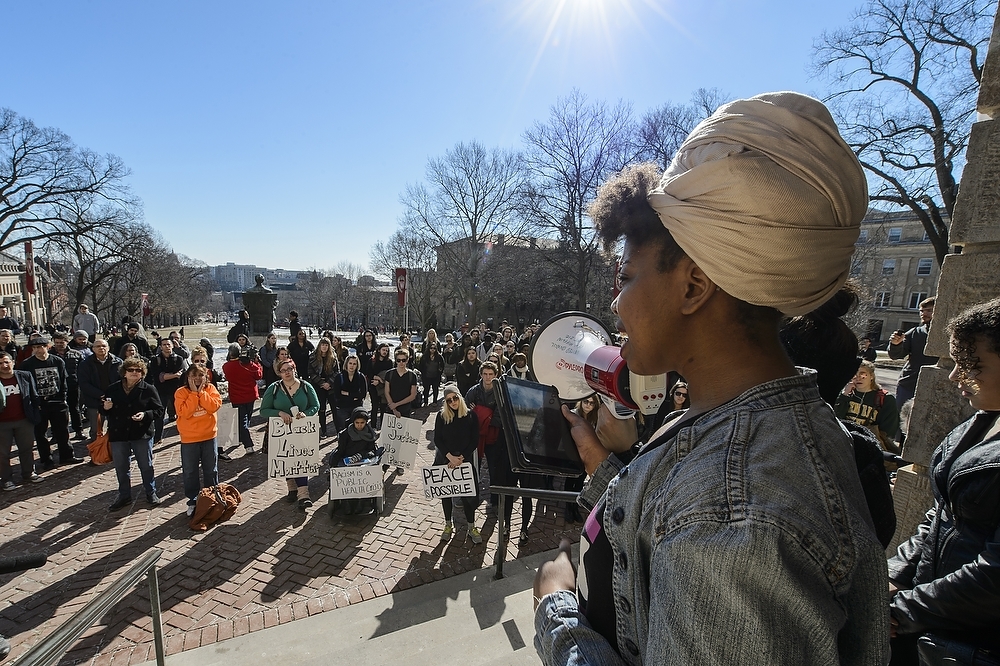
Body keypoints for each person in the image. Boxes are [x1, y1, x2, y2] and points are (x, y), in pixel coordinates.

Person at [533, 94, 887, 665]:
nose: (615, 304)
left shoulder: (738, 516)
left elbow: (705, 518)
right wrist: (606, 470)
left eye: (626, 277)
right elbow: (665, 534)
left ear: (694, 287)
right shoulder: (735, 422)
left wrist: (556, 613)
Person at [887, 297, 1000, 663]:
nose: (954, 377)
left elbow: (994, 577)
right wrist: (895, 575)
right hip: (931, 626)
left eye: (970, 365)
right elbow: (943, 515)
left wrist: (902, 610)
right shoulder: (981, 421)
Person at [467, 360, 532, 544]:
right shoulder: (474, 390)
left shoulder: (500, 390)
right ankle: (473, 497)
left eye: (491, 374)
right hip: (477, 438)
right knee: (475, 467)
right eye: (485, 374)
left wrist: (481, 413)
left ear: (496, 374)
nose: (488, 377)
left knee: (495, 469)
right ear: (481, 374)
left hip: (494, 438)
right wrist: (484, 414)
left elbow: (501, 415)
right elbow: (467, 411)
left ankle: (494, 500)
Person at [102, 357, 163, 511]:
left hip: (141, 433)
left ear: (142, 373)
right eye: (131, 370)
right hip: (119, 433)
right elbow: (102, 410)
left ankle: (151, 492)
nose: (134, 373)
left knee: (146, 465)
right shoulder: (112, 389)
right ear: (124, 372)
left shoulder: (149, 389)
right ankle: (124, 495)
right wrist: (105, 408)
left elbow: (159, 410)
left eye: (138, 370)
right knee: (121, 467)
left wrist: (145, 414)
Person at [260, 358, 320, 509]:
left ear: (294, 369)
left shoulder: (306, 386)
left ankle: (303, 494)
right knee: (287, 458)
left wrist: (306, 414)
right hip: (282, 431)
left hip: (301, 429)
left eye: (289, 369)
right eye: (283, 370)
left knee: (301, 459)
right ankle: (292, 488)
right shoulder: (273, 388)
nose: (286, 372)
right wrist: (279, 413)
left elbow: (316, 405)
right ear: (279, 373)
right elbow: (263, 410)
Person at [20, 336, 82, 468]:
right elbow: (25, 385)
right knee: (41, 434)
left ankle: (67, 455)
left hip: (57, 402)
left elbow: (63, 381)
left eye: (40, 347)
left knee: (62, 431)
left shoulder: (57, 361)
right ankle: (46, 459)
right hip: (39, 404)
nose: (37, 350)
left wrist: (63, 398)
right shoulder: (27, 364)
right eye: (34, 348)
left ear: (47, 346)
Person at [433, 384, 482, 544]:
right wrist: (449, 457)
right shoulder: (441, 416)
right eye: (449, 400)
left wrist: (461, 457)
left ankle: (471, 526)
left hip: (464, 460)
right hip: (445, 460)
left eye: (455, 398)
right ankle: (448, 525)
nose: (453, 402)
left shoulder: (471, 416)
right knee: (446, 494)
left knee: (468, 496)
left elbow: (474, 440)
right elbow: (437, 439)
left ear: (460, 397)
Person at [174, 364, 222, 517]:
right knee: (190, 471)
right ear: (187, 377)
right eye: (193, 375)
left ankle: (211, 497)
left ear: (206, 377)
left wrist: (201, 393)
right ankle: (193, 500)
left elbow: (213, 407)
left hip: (209, 436)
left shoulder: (211, 389)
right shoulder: (180, 392)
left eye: (201, 375)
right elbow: (184, 413)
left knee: (211, 470)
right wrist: (194, 395)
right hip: (189, 439)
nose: (197, 378)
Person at [835, 360, 900, 452]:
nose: (858, 378)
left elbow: (889, 430)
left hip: (871, 445)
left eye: (863, 374)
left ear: (871, 376)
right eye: (854, 375)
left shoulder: (885, 398)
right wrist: (844, 396)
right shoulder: (845, 394)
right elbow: (836, 419)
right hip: (845, 442)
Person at [0, 351, 43, 489]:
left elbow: (34, 395)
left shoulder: (24, 376)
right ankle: (6, 478)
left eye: (6, 362)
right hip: (3, 423)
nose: (4, 365)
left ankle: (29, 472)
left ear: (13, 362)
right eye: (0, 363)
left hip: (24, 420)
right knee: (3, 453)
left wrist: (35, 414)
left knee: (26, 448)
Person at [888, 296, 938, 409]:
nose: (923, 314)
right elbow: (895, 356)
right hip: (909, 385)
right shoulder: (915, 332)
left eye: (929, 310)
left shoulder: (947, 334)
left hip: (935, 385)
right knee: (902, 418)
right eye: (921, 311)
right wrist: (896, 344)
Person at [331, 407, 380, 515]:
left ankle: (360, 502)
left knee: (364, 476)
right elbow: (341, 450)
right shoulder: (345, 434)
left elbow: (371, 450)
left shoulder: (370, 434)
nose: (359, 425)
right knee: (344, 475)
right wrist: (333, 465)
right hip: (347, 460)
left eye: (362, 423)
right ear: (353, 421)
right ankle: (346, 503)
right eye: (357, 422)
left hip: (364, 460)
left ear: (366, 422)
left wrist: (361, 455)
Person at [221, 343, 263, 457]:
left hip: (236, 397)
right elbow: (259, 375)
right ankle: (248, 444)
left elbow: (228, 376)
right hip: (250, 395)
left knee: (242, 420)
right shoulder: (248, 365)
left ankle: (241, 437)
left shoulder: (226, 366)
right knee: (245, 420)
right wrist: (255, 362)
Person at [77, 339, 122, 443]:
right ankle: (96, 454)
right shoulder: (85, 364)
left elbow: (122, 380)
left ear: (108, 348)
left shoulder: (118, 362)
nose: (101, 348)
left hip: (115, 401)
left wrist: (114, 395)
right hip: (95, 401)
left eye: (103, 346)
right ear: (93, 349)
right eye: (98, 346)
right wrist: (100, 395)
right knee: (95, 430)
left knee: (116, 428)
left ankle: (113, 453)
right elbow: (84, 383)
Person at [148, 336, 188, 444]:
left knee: (181, 414)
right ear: (160, 347)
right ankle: (158, 437)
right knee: (159, 415)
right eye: (164, 344)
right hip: (160, 391)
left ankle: (184, 435)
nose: (167, 347)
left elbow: (179, 375)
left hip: (176, 391)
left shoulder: (178, 359)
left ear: (172, 346)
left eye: (168, 344)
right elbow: (158, 377)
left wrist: (166, 376)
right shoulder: (155, 359)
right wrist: (172, 375)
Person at [50, 331, 86, 443]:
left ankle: (78, 431)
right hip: (56, 387)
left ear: (67, 342)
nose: (59, 344)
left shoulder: (76, 354)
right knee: (56, 413)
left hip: (72, 385)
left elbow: (83, 371)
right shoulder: (49, 355)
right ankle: (56, 434)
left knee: (75, 409)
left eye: (62, 342)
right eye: (57, 342)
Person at [308, 337, 340, 437]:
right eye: (322, 345)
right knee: (321, 409)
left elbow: (337, 372)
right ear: (319, 346)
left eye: (326, 345)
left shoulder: (333, 357)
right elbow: (310, 373)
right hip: (318, 385)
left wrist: (329, 383)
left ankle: (338, 430)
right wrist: (321, 383)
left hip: (331, 385)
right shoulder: (313, 357)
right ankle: (324, 431)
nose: (324, 347)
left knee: (334, 408)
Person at [332, 355, 367, 433]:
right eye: (350, 363)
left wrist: (347, 394)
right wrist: (354, 396)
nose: (352, 366)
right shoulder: (339, 376)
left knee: (356, 430)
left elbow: (363, 394)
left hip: (356, 407)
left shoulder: (361, 377)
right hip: (342, 407)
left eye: (354, 364)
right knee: (343, 431)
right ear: (346, 364)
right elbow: (337, 394)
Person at [367, 343, 393, 429]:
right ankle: (373, 426)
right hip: (373, 386)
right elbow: (368, 373)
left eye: (386, 350)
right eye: (383, 350)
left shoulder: (389, 362)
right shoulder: (372, 360)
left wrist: (380, 381)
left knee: (383, 407)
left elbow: (390, 376)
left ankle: (383, 427)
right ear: (379, 350)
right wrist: (376, 378)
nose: (385, 352)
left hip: (384, 386)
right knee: (374, 406)